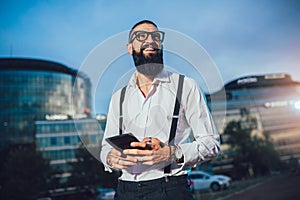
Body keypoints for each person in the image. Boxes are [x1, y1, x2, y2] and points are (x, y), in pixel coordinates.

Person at [100, 20, 220, 200]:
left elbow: (211, 143)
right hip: (125, 191)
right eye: (141, 36)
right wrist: (110, 158)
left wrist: (173, 153)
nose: (150, 40)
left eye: (155, 36)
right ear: (129, 47)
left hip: (169, 188)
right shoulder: (119, 96)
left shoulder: (185, 86)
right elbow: (104, 148)